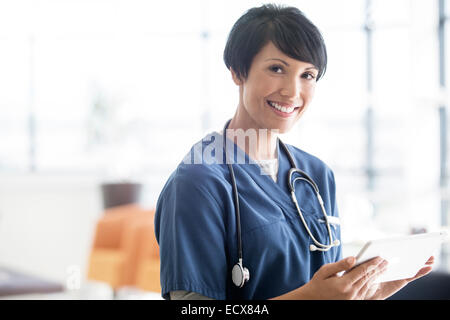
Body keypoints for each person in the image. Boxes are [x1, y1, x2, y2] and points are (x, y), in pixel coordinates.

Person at [154, 3, 434, 300]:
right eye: (277, 69)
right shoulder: (198, 182)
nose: (292, 91)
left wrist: (363, 294)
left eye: (308, 75)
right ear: (238, 71)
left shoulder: (317, 174)